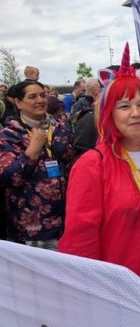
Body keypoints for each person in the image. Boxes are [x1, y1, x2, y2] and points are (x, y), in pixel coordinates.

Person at [59, 44, 140, 305]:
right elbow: (80, 245)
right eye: (124, 106)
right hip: (123, 298)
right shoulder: (93, 164)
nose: (136, 113)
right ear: (110, 113)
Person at [0, 80, 74, 249]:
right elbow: (10, 178)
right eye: (32, 97)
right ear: (18, 102)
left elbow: (70, 160)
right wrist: (31, 152)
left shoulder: (61, 126)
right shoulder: (9, 135)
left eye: (42, 95)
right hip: (31, 226)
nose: (40, 100)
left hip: (66, 220)